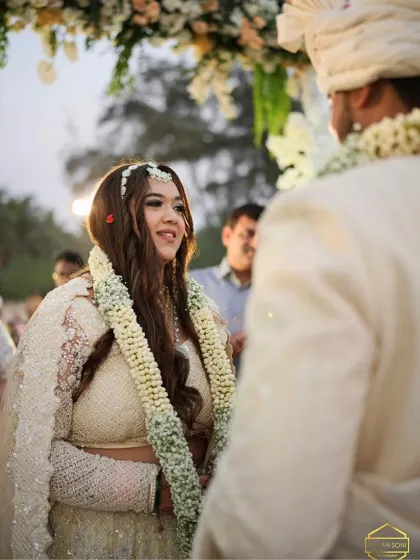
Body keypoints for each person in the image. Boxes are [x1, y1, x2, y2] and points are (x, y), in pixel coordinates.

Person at [192, 1, 420, 558]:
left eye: (329, 96)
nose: (331, 114)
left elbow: (281, 507)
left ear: (360, 91)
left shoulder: (327, 218)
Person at [0, 161, 235, 559]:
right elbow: (35, 454)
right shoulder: (70, 312)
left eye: (179, 207)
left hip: (195, 534)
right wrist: (151, 490)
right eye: (154, 204)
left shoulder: (202, 312)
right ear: (115, 219)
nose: (172, 218)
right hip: (101, 538)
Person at [190, 203, 264, 366]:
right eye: (249, 234)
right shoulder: (193, 284)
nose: (256, 244)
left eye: (263, 237)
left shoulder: (277, 290)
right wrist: (224, 346)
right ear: (226, 236)